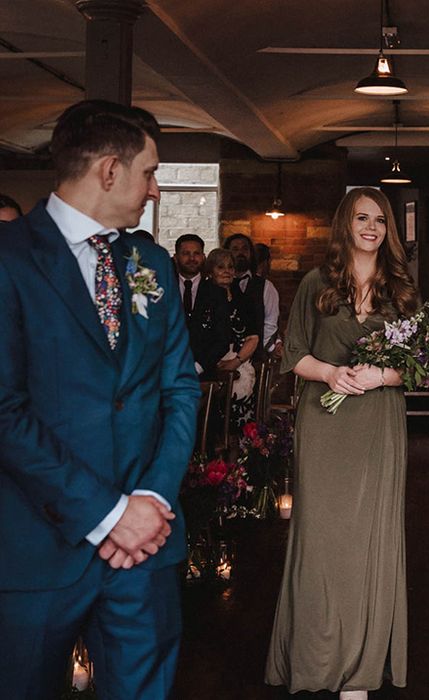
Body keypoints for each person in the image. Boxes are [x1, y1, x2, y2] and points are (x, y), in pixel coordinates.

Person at [0, 100, 199, 698]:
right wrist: (109, 516)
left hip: (147, 551)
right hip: (39, 549)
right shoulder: (9, 259)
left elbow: (179, 388)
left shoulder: (151, 263)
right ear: (110, 171)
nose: (156, 190)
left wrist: (154, 498)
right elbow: (5, 411)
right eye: (149, 172)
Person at [266, 187, 418, 699]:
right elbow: (294, 354)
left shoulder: (401, 287)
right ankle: (317, 659)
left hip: (378, 421)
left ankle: (361, 666)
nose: (372, 227)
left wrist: (383, 376)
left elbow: (421, 367)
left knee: (371, 535)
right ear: (345, 225)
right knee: (322, 537)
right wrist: (331, 373)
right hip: (325, 425)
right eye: (362, 218)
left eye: (380, 220)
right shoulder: (317, 282)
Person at [205, 247, 261, 427]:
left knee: (239, 424)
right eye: (220, 267)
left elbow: (253, 337)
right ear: (210, 271)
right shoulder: (203, 297)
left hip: (240, 362)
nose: (227, 271)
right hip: (209, 363)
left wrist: (235, 362)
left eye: (230, 267)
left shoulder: (243, 300)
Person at [175, 233, 230, 378]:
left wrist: (197, 367)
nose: (192, 258)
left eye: (196, 254)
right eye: (186, 253)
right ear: (176, 257)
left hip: (203, 374)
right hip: (167, 372)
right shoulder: (165, 290)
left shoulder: (217, 293)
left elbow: (222, 339)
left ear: (203, 257)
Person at [223, 233, 267, 357]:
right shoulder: (214, 287)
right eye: (235, 249)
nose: (240, 253)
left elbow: (270, 324)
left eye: (245, 249)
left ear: (251, 253)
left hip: (254, 356)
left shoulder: (265, 286)